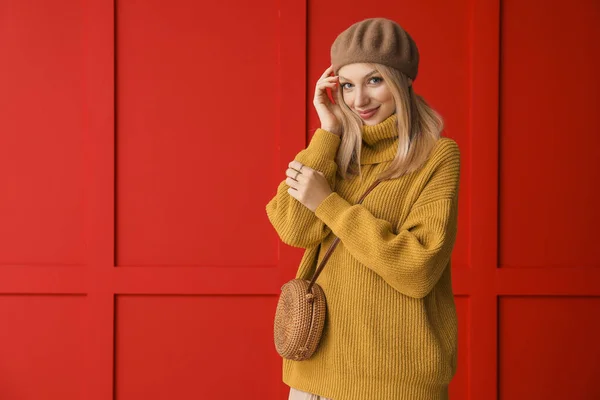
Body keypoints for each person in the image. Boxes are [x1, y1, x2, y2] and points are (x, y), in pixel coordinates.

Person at [265, 17, 460, 400]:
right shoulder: (335, 151)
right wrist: (328, 133)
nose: (359, 100)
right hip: (313, 376)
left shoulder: (437, 156)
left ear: (402, 80)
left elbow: (417, 269)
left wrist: (330, 205)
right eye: (348, 85)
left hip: (395, 380)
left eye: (374, 81)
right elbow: (292, 228)